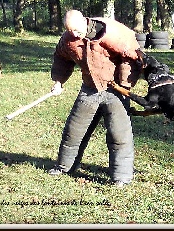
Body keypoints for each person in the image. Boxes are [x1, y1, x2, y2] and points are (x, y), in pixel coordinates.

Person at [48, 10, 143, 187]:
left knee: (119, 135)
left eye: (77, 30)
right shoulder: (68, 39)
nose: (74, 34)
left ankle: (121, 177)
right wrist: (58, 82)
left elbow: (132, 57)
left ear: (85, 21)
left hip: (116, 90)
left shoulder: (112, 33)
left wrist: (124, 84)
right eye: (70, 31)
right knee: (73, 132)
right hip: (89, 89)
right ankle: (64, 167)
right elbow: (62, 59)